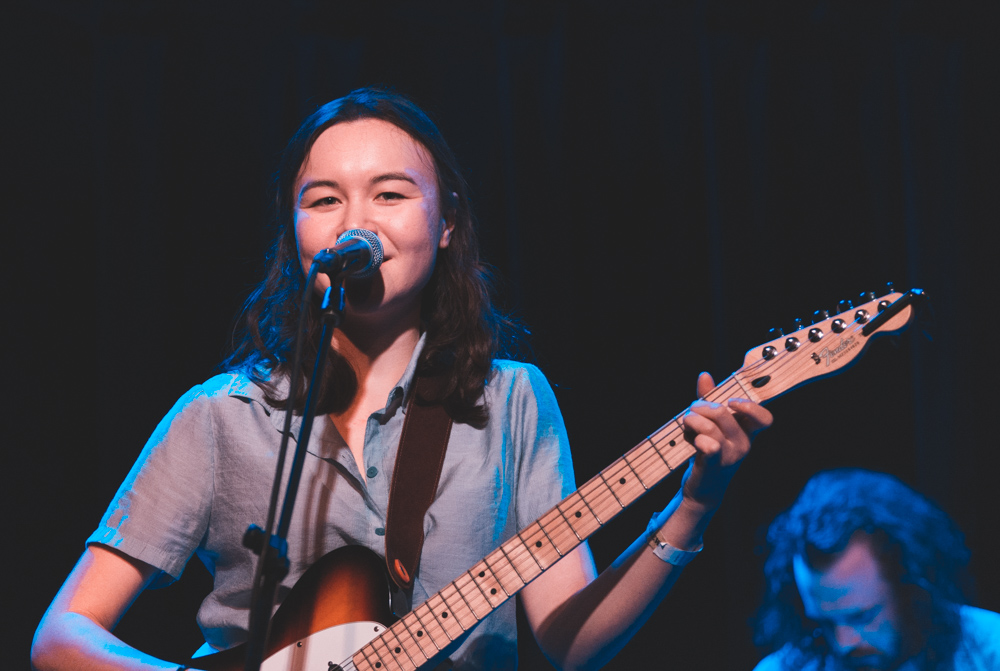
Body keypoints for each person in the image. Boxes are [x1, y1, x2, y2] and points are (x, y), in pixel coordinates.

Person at [30, 87, 772, 671]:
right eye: (324, 199)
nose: (357, 222)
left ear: (446, 221)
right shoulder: (220, 416)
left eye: (389, 194)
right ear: (297, 235)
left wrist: (693, 506)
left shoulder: (512, 400)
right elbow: (61, 634)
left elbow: (569, 641)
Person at [753, 468, 1000, 671]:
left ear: (912, 585)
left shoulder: (991, 651)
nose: (843, 643)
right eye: (825, 623)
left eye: (862, 616)